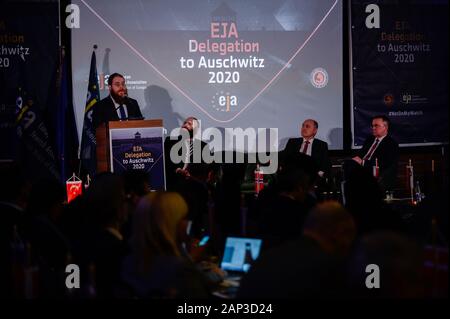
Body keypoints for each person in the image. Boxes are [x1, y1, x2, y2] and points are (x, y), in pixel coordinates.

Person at [352, 115, 399, 191]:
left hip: (376, 174)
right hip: (362, 171)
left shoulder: (391, 144)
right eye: (372, 126)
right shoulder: (370, 139)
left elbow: (382, 164)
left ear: (385, 127)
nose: (373, 128)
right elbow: (361, 154)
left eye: (376, 125)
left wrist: (363, 162)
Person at [164, 116, 212, 190]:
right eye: (184, 123)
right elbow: (165, 162)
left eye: (189, 124)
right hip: (173, 183)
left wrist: (191, 176)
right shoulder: (170, 141)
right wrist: (177, 170)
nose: (185, 125)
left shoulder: (203, 146)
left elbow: (206, 168)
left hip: (194, 186)